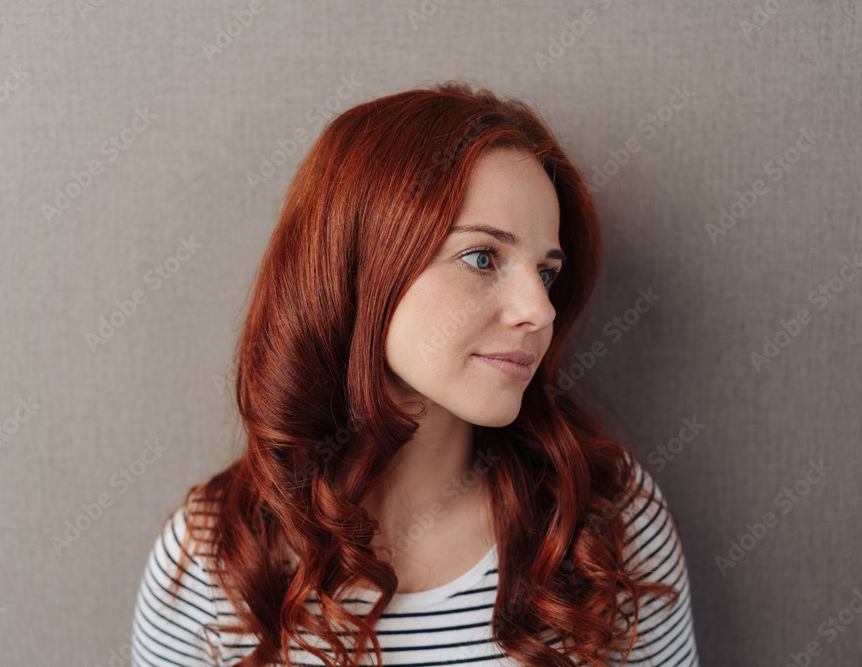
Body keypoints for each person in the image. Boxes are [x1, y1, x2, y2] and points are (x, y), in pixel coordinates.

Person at [130, 81, 701, 666]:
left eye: (546, 272)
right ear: (357, 267)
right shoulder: (210, 558)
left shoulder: (607, 519)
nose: (540, 309)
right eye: (482, 257)